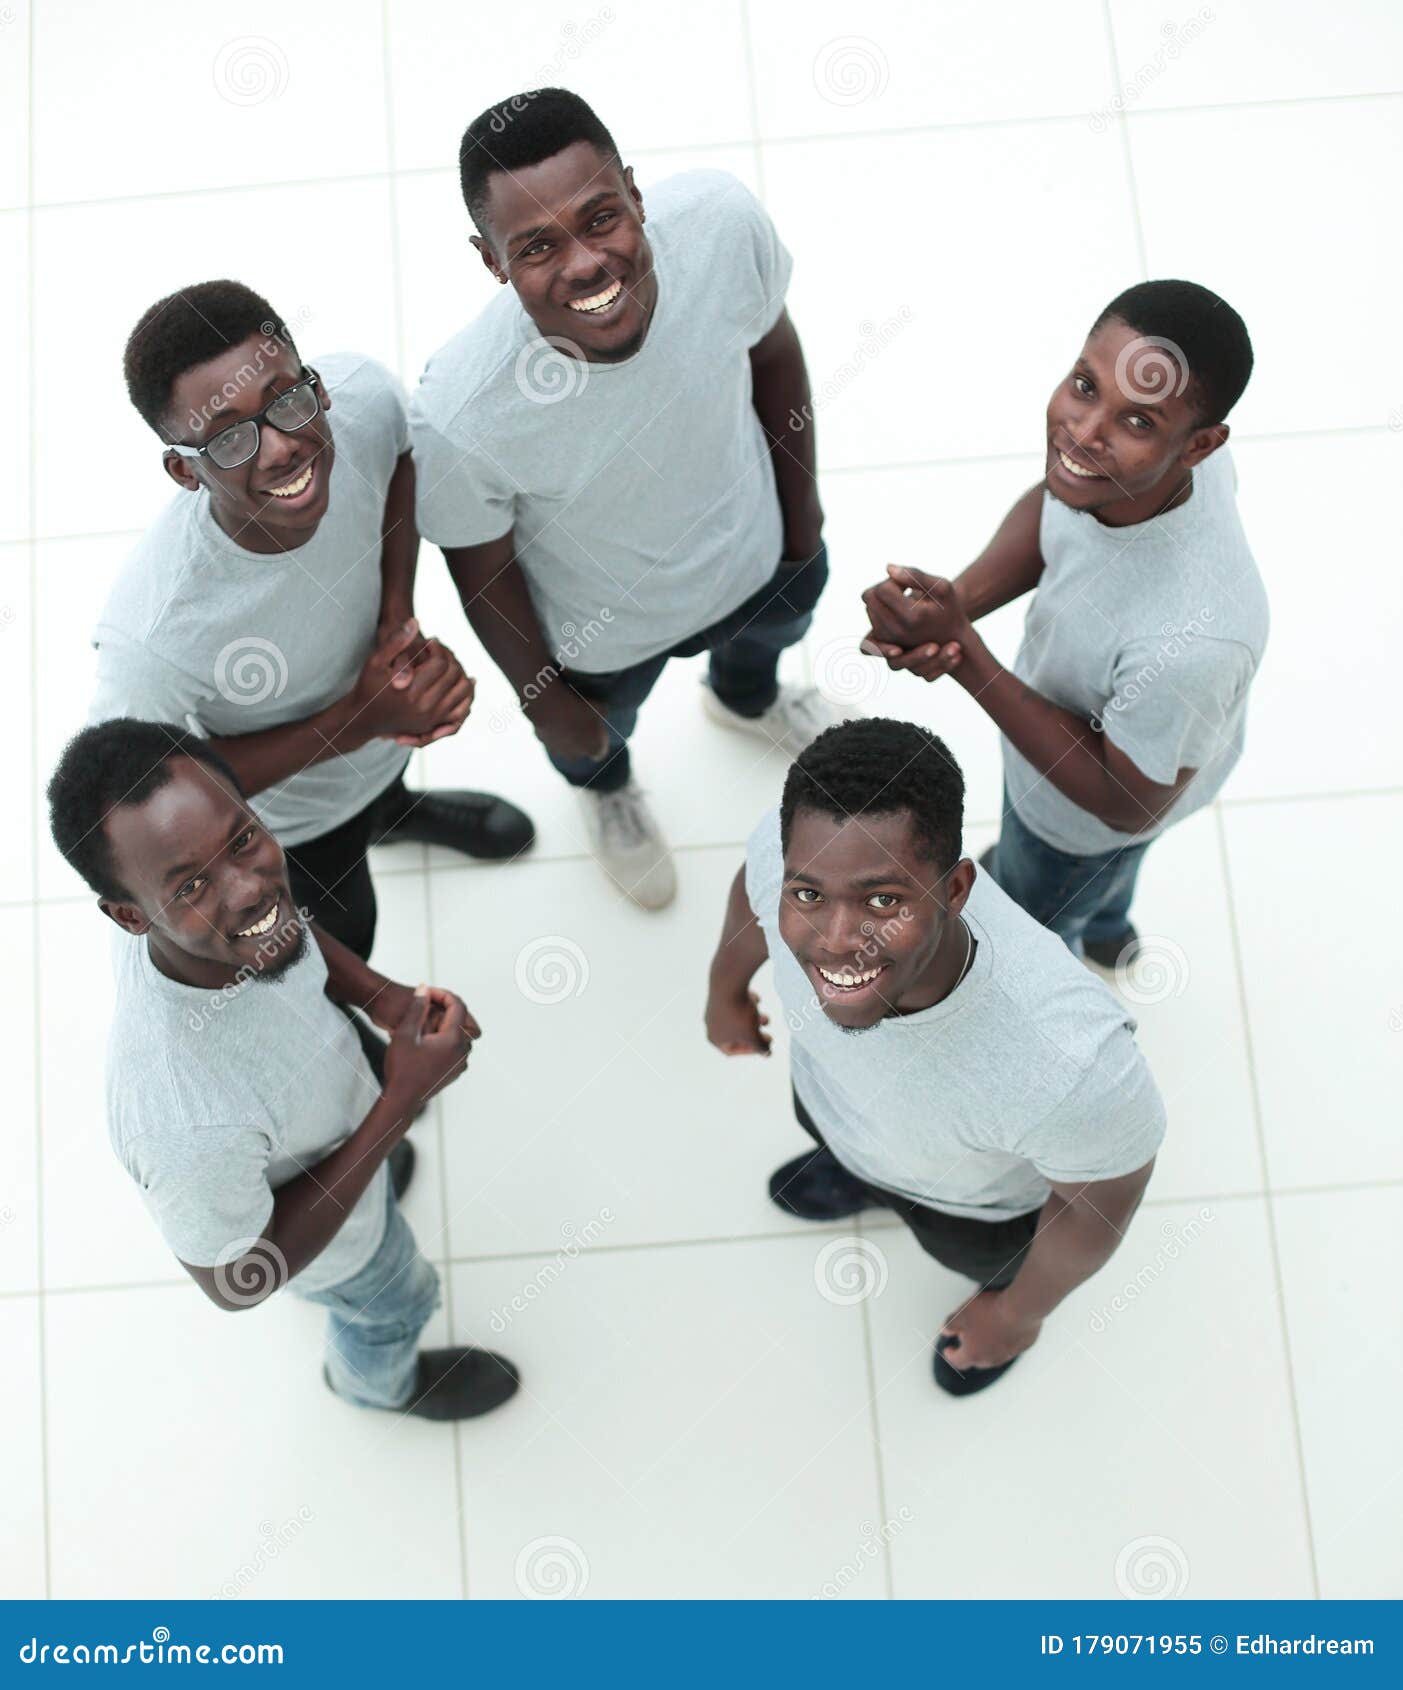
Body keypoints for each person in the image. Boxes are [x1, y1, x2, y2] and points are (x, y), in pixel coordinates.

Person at [411, 87, 845, 910]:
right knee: (594, 746)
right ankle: (608, 793)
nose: (584, 263)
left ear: (636, 195)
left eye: (601, 217)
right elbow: (482, 571)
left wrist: (803, 528)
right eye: (536, 246)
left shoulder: (719, 226)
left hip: (755, 553)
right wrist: (546, 704)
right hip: (602, 639)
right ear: (491, 261)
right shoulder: (459, 411)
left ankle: (746, 701)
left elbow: (774, 353)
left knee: (765, 648)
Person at [47, 719, 518, 1422]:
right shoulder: (184, 1123)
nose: (249, 890)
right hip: (341, 1252)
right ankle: (378, 1387)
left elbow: (279, 924)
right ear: (129, 916)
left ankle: (372, 1171)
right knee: (396, 1300)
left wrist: (381, 997)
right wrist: (400, 1100)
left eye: (243, 839)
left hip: (331, 1128)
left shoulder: (214, 919)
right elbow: (238, 1281)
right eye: (192, 886)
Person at [94, 279, 534, 998]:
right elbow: (146, 798)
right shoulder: (152, 636)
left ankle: (393, 816)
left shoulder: (362, 398)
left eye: (287, 399)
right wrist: (360, 719)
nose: (281, 447)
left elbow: (400, 459)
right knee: (347, 925)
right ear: (183, 470)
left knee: (385, 783)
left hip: (380, 740)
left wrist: (396, 617)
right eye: (228, 438)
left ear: (318, 388)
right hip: (295, 820)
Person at [705, 719, 1165, 1396]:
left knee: (985, 1262)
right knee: (848, 1146)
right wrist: (724, 989)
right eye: (808, 896)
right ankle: (861, 1179)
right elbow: (754, 887)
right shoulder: (789, 854)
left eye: (881, 900)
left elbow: (1095, 1210)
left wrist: (1015, 1317)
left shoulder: (1073, 1065)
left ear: (955, 890)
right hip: (837, 1109)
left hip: (969, 1210)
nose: (837, 941)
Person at [860, 280, 1268, 965]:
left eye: (1137, 423)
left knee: (1034, 913)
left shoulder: (1194, 645)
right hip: (1142, 759)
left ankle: (1068, 937)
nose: (1083, 433)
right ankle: (1105, 927)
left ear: (1200, 445)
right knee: (1108, 878)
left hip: (1074, 826)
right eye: (1084, 386)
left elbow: (1125, 803)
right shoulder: (1123, 469)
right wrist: (956, 605)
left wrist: (963, 652)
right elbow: (1060, 504)